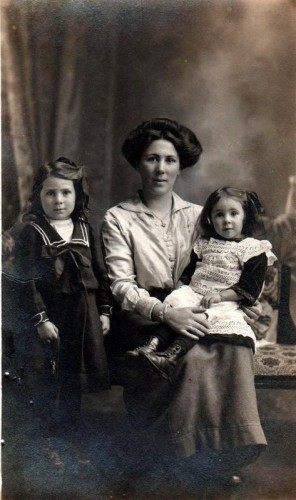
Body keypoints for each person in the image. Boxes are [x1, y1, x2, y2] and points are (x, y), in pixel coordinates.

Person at [101, 118, 267, 481]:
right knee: (194, 356)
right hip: (142, 314)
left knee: (227, 348)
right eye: (152, 159)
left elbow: (226, 267)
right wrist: (166, 312)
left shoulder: (199, 215)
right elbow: (121, 286)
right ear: (138, 163)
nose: (161, 169)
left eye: (170, 160)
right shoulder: (118, 218)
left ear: (181, 165)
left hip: (200, 305)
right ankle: (177, 453)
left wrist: (238, 305)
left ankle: (221, 454)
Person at [128, 187, 276, 381]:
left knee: (202, 319)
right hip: (195, 293)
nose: (227, 220)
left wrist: (221, 296)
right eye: (219, 215)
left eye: (233, 214)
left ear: (245, 217)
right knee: (176, 307)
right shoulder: (205, 243)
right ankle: (151, 346)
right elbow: (190, 272)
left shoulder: (253, 248)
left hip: (226, 299)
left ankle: (171, 355)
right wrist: (182, 288)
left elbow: (251, 286)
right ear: (210, 218)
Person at [6, 157, 112, 429]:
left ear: (77, 195)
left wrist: (104, 311)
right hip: (51, 317)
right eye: (50, 193)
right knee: (46, 375)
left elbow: (101, 272)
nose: (58, 200)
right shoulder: (33, 232)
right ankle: (45, 440)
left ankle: (69, 434)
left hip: (83, 315)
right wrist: (41, 318)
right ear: (39, 196)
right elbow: (25, 281)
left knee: (74, 376)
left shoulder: (86, 229)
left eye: (66, 192)